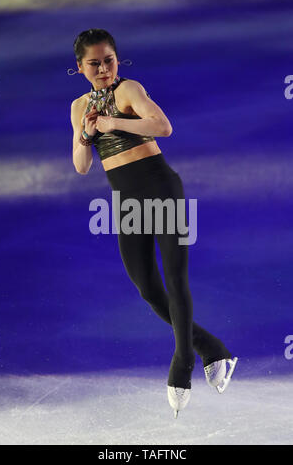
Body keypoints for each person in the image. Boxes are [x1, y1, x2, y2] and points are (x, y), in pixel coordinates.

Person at [70, 28, 238, 419]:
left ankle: (183, 364)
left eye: (109, 60)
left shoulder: (129, 90)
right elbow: (80, 166)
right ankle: (213, 349)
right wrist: (86, 132)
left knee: (175, 279)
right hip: (126, 201)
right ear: (80, 67)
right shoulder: (78, 106)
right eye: (93, 63)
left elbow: (163, 127)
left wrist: (114, 125)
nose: (103, 69)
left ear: (117, 58)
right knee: (147, 287)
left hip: (161, 188)